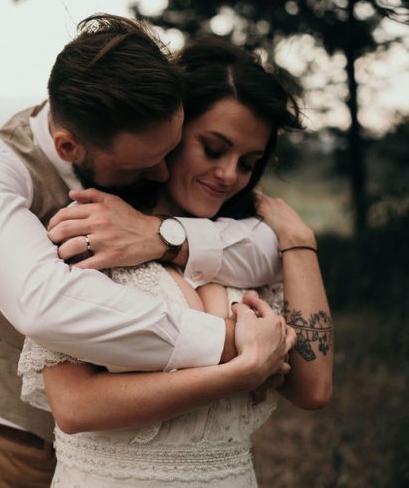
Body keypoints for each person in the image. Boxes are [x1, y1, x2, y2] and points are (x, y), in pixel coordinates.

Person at [0, 14, 288, 487]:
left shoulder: (135, 124)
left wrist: (166, 236)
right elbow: (46, 307)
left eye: (168, 154)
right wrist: (228, 343)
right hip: (30, 446)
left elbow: (266, 245)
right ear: (69, 148)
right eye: (145, 165)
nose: (163, 176)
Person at [19, 37, 333, 486]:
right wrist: (242, 372)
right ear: (170, 130)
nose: (229, 175)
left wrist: (299, 243)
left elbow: (313, 387)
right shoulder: (93, 229)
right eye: (213, 148)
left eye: (249, 162)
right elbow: (74, 406)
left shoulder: (250, 248)